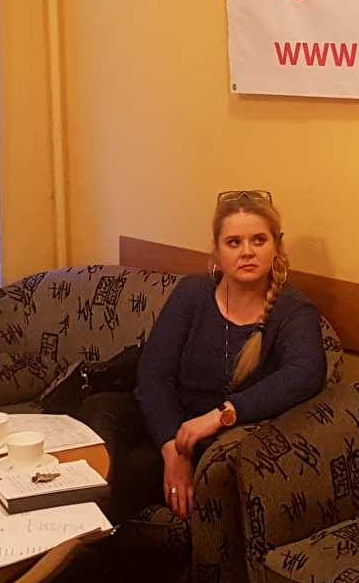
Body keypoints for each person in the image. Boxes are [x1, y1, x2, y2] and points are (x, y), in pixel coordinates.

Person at [88, 191, 327, 520]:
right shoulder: (193, 293)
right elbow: (154, 375)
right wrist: (172, 448)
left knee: (124, 474)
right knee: (99, 409)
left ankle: (74, 536)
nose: (247, 252)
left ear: (277, 245)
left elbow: (306, 373)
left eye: (258, 240)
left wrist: (221, 415)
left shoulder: (293, 311)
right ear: (216, 250)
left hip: (216, 446)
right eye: (234, 242)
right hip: (166, 426)